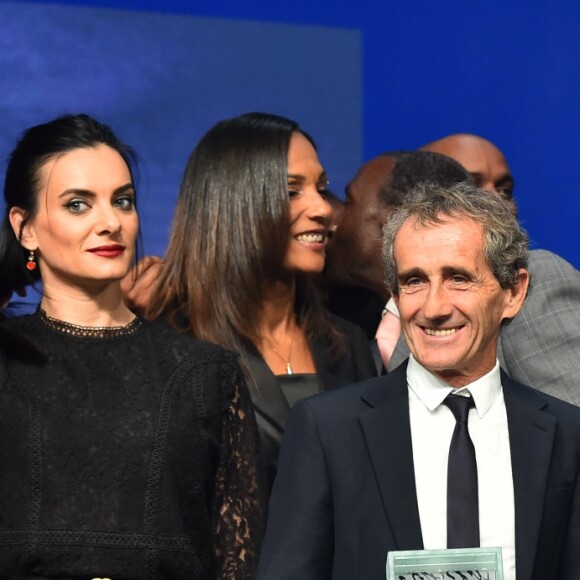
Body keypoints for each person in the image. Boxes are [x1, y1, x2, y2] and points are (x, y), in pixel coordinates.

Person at [257, 181, 580, 580]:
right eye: (414, 281)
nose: (434, 307)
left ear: (513, 292)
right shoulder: (328, 431)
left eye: (458, 278)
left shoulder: (566, 433)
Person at [0, 114, 263, 579]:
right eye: (78, 204)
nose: (110, 222)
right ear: (26, 228)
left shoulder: (207, 374)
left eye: (123, 201)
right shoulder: (8, 361)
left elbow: (235, 561)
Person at [143, 113, 376, 494]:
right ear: (235, 205)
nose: (322, 209)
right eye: (291, 191)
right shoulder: (173, 348)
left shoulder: (348, 344)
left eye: (321, 187)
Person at [395, 133, 580, 405]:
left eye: (504, 189)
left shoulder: (538, 279)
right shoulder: (358, 318)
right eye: (469, 188)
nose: (496, 200)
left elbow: (567, 432)